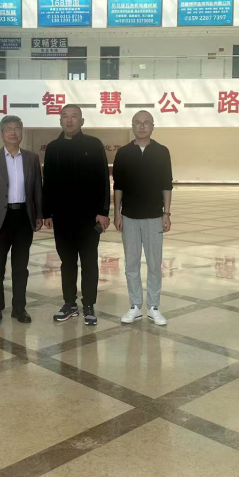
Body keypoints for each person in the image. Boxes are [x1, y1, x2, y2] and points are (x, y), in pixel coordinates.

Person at [43, 104, 110, 326]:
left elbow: (103, 179)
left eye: (74, 116)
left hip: (89, 218)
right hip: (62, 217)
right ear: (60, 121)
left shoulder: (93, 144)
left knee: (89, 261)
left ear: (82, 121)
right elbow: (48, 183)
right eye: (65, 116)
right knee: (67, 262)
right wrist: (47, 212)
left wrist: (103, 212)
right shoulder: (53, 148)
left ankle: (89, 304)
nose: (69, 120)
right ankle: (69, 304)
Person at [0, 116, 43, 326]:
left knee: (20, 267)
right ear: (2, 133)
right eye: (8, 129)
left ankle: (19, 308)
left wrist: (39, 215)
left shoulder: (31, 158)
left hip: (24, 217)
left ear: (22, 132)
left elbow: (37, 189)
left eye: (17, 129)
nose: (13, 133)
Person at [113, 110, 173, 326]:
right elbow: (118, 186)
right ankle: (135, 306)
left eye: (146, 123)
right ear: (132, 126)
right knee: (131, 264)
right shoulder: (123, 153)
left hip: (154, 216)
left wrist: (166, 213)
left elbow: (167, 185)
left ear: (152, 126)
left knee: (155, 264)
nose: (141, 126)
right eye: (137, 123)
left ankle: (154, 307)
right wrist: (117, 213)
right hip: (129, 217)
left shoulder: (162, 152)